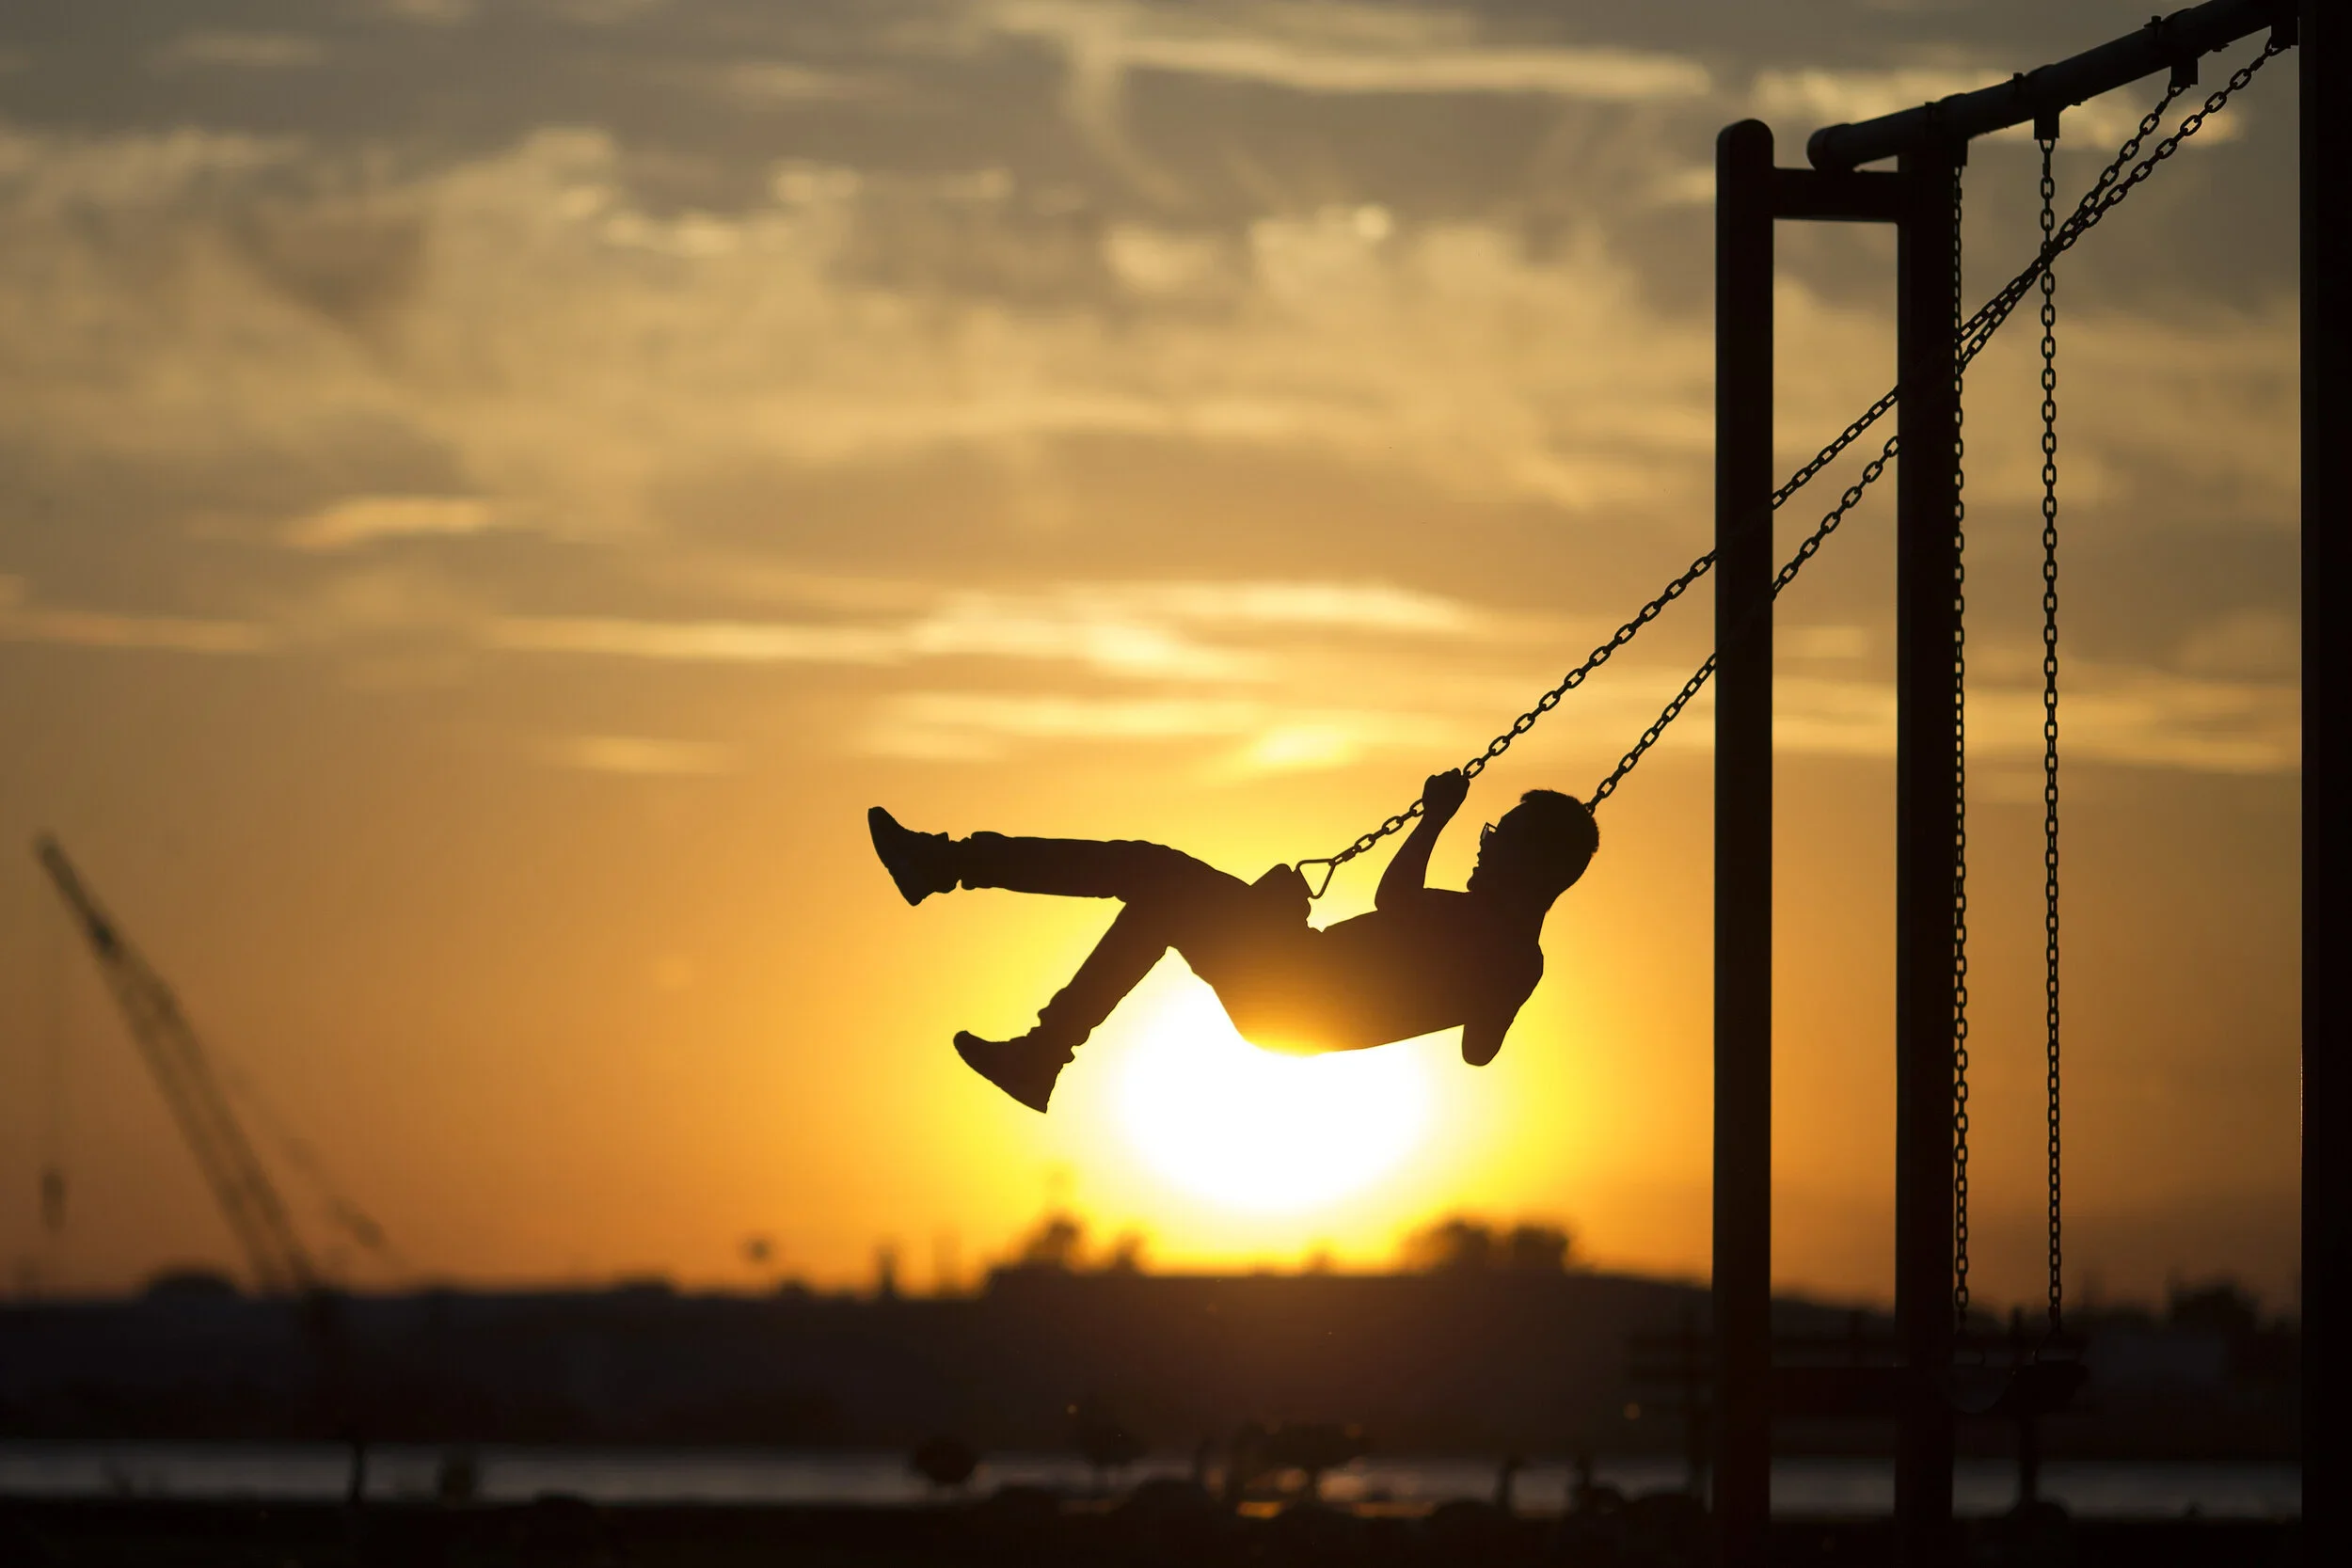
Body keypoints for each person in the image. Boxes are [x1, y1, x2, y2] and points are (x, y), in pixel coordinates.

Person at [867, 768, 1597, 1113]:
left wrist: (1436, 816)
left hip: (1293, 993)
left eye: (1497, 839)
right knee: (1159, 895)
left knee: (1150, 869)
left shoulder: (1487, 934)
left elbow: (1392, 900)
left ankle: (946, 865)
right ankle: (1040, 1053)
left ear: (1531, 867)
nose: (1485, 846)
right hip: (1292, 999)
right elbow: (1477, 1049)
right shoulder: (1514, 957)